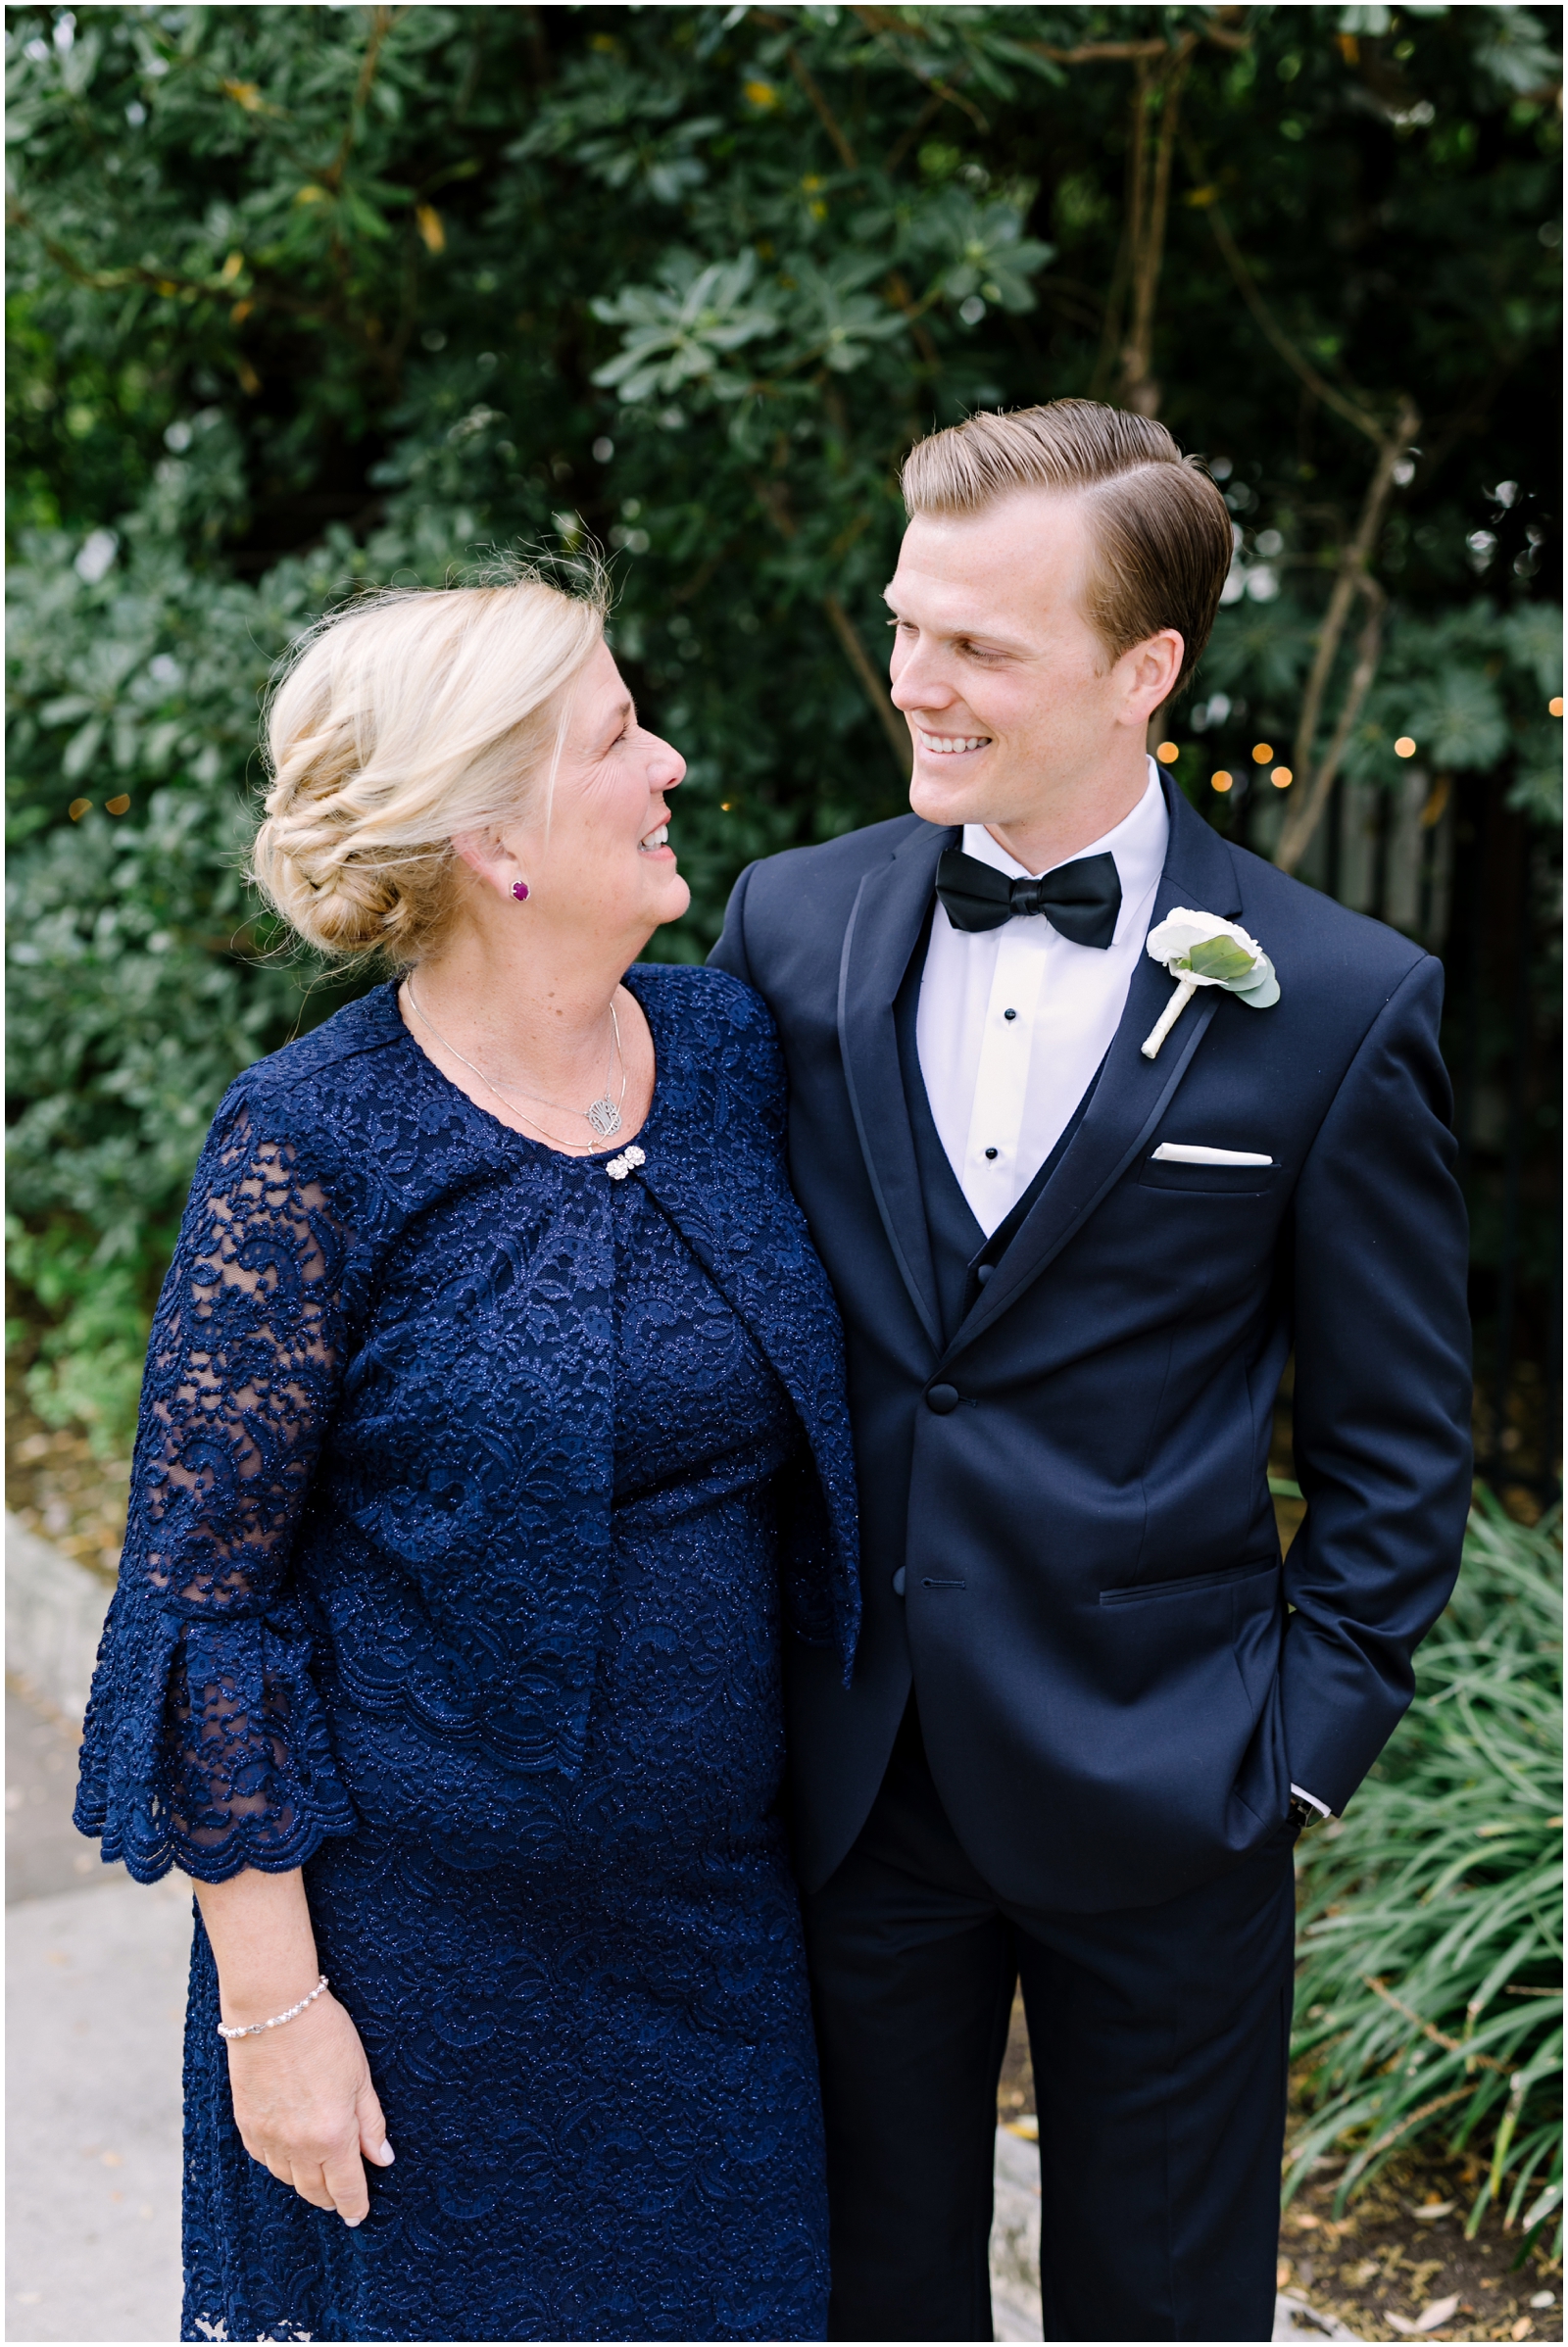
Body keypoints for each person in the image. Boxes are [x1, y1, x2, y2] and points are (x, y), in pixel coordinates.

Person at [710, 400, 1473, 2343]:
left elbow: (1395, 1450)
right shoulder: (785, 926)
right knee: (867, 2293)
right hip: (854, 1771)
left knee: (1162, 2303)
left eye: (975, 645)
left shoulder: (1330, 1001)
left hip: (1170, 1779)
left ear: (1144, 670)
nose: (913, 682)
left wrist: (1292, 1760)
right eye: (902, 624)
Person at [74, 566, 859, 2345]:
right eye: (615, 737)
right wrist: (272, 2013)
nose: (670, 764)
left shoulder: (730, 1057)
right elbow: (206, 1608)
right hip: (419, 1979)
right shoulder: (312, 1146)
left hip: (720, 1950)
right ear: (498, 837)